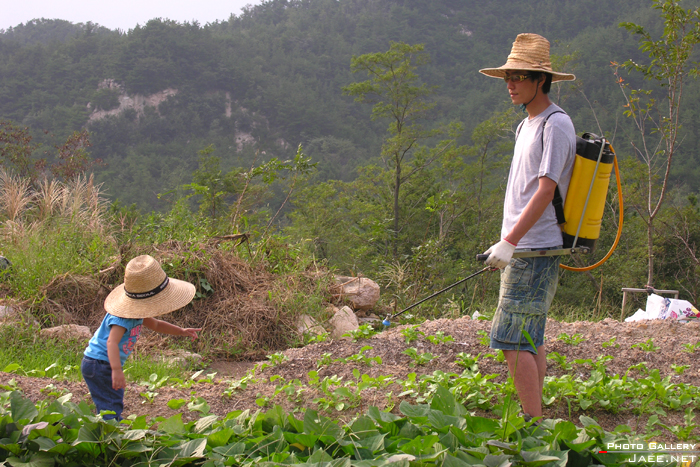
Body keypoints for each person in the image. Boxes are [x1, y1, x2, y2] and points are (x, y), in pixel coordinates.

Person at [479, 33, 576, 421]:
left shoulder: (556, 124)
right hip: (521, 246)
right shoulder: (526, 126)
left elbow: (545, 190)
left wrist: (510, 242)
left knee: (510, 339)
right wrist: (506, 243)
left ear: (542, 80)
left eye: (519, 76)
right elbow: (522, 193)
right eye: (508, 76)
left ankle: (533, 425)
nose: (511, 84)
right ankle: (535, 419)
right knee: (528, 335)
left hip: (535, 247)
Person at [81, 254, 201, 421]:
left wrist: (181, 331)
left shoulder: (137, 313)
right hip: (100, 363)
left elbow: (156, 325)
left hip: (102, 363)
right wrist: (116, 370)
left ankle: (107, 424)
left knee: (111, 396)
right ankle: (110, 428)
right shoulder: (123, 317)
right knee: (110, 400)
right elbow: (111, 342)